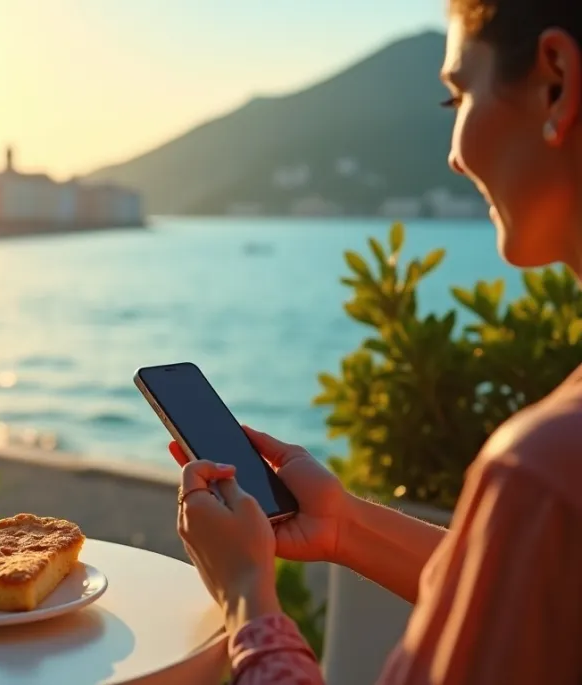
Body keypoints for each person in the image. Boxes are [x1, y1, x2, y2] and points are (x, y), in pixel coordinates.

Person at [174, 1, 582, 683]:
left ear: (557, 81)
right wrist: (346, 527)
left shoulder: (546, 468)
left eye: (459, 96)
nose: (453, 156)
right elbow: (537, 592)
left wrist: (246, 596)